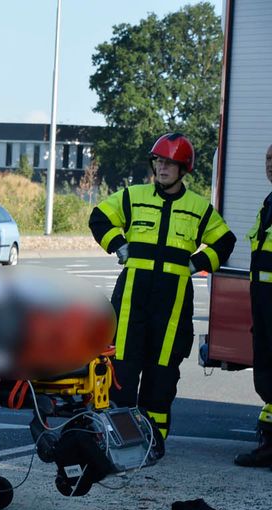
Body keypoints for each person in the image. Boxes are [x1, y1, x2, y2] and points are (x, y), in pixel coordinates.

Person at [89, 133, 236, 453]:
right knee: (122, 371)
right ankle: (118, 441)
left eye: (170, 163)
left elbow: (225, 241)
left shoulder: (198, 208)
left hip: (173, 304)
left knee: (162, 375)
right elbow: (99, 218)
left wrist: (197, 264)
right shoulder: (133, 196)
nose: (162, 168)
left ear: (184, 169)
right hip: (131, 299)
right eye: (158, 161)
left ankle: (153, 442)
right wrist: (117, 244)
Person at [235, 142, 272, 467]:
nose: (271, 164)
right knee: (266, 374)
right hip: (263, 305)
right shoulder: (268, 205)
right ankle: (269, 445)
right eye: (268, 158)